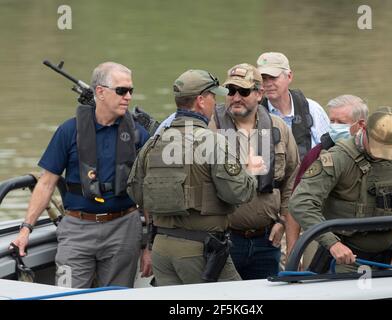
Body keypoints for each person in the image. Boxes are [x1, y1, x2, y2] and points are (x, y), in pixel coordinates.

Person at [10, 62, 150, 288]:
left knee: (116, 296)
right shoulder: (68, 131)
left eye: (131, 91)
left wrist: (149, 245)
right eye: (122, 91)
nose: (128, 97)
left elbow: (147, 189)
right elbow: (46, 184)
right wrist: (25, 229)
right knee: (67, 292)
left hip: (124, 228)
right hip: (76, 230)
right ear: (100, 92)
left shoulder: (138, 135)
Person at [127, 69, 263, 286]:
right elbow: (238, 193)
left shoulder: (153, 142)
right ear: (201, 101)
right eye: (212, 96)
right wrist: (249, 171)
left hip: (162, 249)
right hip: (201, 250)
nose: (215, 103)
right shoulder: (213, 142)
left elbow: (135, 192)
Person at [288, 107, 392, 273]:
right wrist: (332, 243)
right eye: (376, 145)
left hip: (386, 258)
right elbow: (301, 202)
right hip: (343, 258)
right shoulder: (337, 158)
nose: (380, 154)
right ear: (363, 127)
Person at [209, 63, 300, 279]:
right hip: (226, 239)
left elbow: (292, 180)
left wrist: (282, 221)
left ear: (259, 94)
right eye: (230, 91)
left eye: (244, 91)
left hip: (267, 240)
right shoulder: (211, 128)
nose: (236, 97)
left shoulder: (279, 128)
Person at [256, 52, 330, 161]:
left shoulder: (313, 109)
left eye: (273, 77)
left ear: (289, 76)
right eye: (263, 78)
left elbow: (329, 150)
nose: (268, 84)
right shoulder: (254, 113)